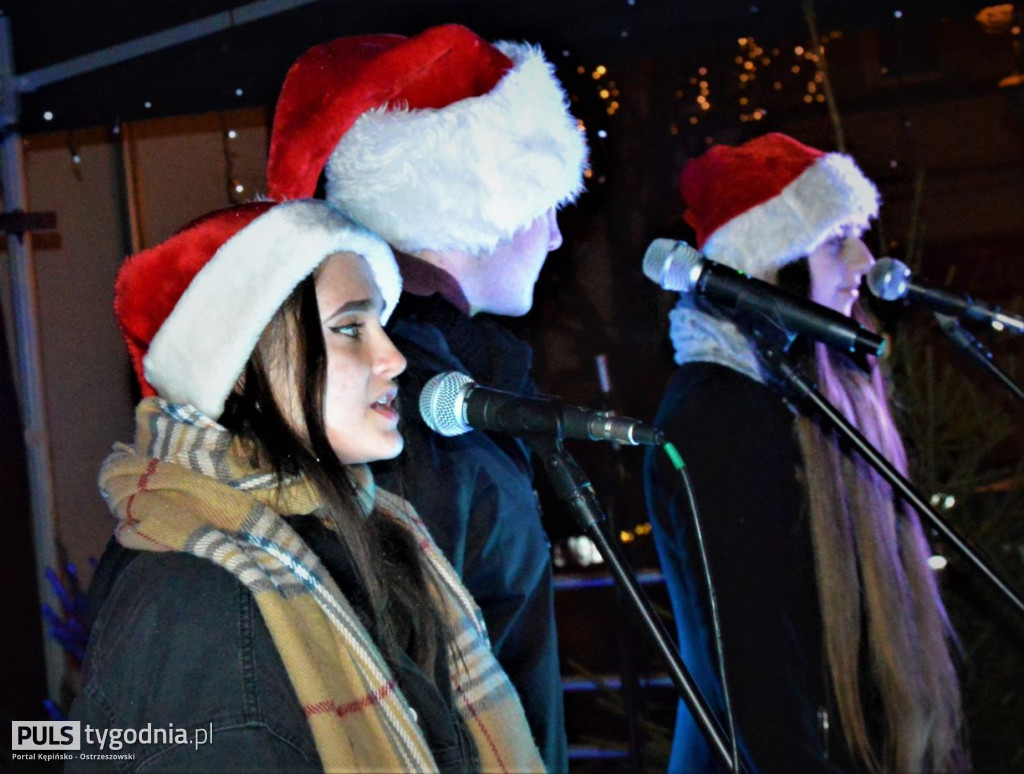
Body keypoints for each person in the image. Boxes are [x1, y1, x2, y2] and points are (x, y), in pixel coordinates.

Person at [69, 199, 544, 772]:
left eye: (382, 327)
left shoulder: (376, 534)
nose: (392, 358)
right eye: (349, 329)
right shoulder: (198, 598)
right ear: (240, 363)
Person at [265, 24, 588, 771]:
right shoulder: (401, 404)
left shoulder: (442, 378)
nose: (555, 236)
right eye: (543, 201)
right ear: (476, 204)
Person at [643, 133, 966, 773]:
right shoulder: (720, 413)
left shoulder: (800, 392)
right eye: (834, 239)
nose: (865, 260)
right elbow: (753, 656)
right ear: (770, 262)